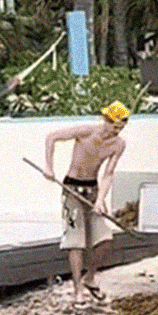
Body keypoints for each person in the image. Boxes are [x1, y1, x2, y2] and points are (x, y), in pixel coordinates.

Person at [40, 103, 130, 302]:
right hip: (72, 188)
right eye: (115, 126)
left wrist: (100, 200)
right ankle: (77, 289)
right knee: (76, 242)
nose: (117, 131)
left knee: (105, 240)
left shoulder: (118, 144)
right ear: (106, 120)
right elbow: (52, 137)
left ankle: (89, 278)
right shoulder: (86, 131)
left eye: (121, 128)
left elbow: (108, 173)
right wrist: (49, 167)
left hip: (93, 189)